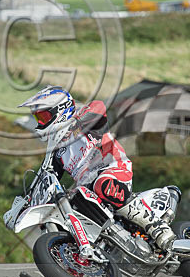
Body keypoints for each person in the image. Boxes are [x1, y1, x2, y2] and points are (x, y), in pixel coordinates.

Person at [19, 86, 180, 251]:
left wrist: (78, 122)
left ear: (60, 110)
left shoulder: (84, 123)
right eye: (39, 118)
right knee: (64, 207)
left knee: (102, 184)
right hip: (87, 188)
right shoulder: (57, 151)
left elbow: (99, 107)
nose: (41, 122)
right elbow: (45, 176)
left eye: (44, 116)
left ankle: (157, 227)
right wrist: (27, 202)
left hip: (114, 169)